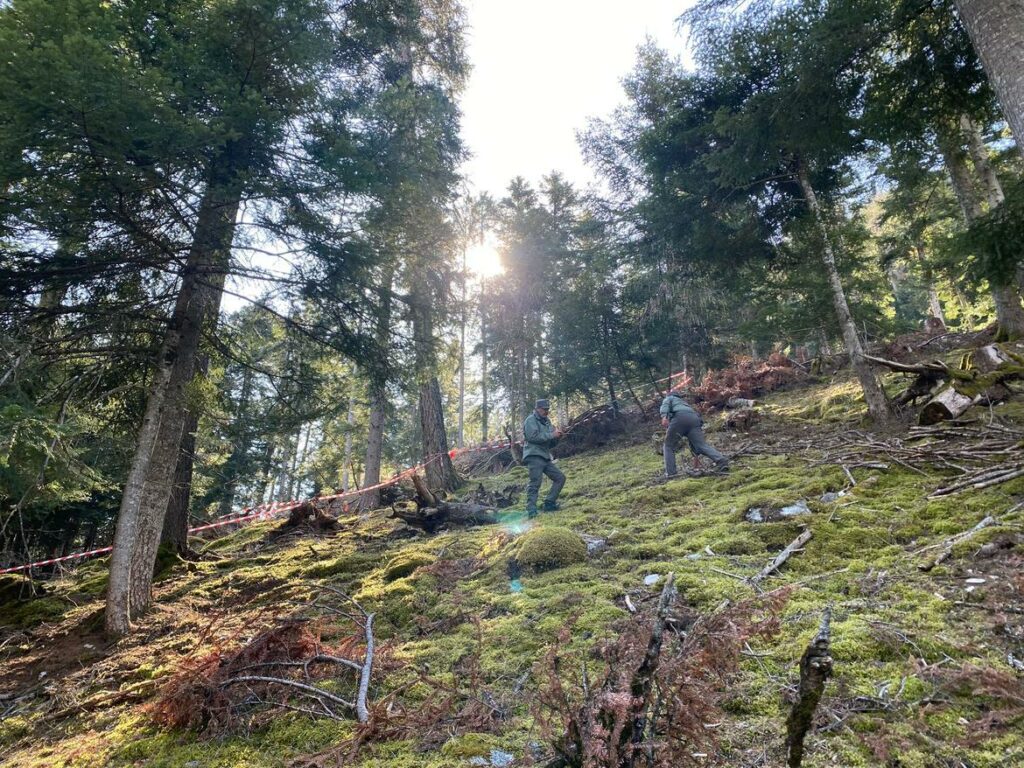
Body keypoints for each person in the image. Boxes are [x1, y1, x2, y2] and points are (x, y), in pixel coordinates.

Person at [660, 387, 729, 477]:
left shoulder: (669, 398)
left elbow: (665, 406)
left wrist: (664, 417)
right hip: (695, 420)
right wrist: (696, 465)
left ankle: (671, 473)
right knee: (700, 445)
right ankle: (721, 461)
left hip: (680, 418)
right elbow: (694, 445)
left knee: (668, 446)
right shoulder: (685, 404)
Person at [522, 398, 566, 518]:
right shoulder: (530, 420)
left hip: (545, 456)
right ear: (537, 409)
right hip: (534, 455)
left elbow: (550, 442)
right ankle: (531, 510)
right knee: (535, 482)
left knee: (560, 478)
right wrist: (552, 435)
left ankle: (549, 503)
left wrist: (558, 436)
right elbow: (533, 437)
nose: (546, 411)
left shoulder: (547, 422)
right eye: (544, 409)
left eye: (547, 409)